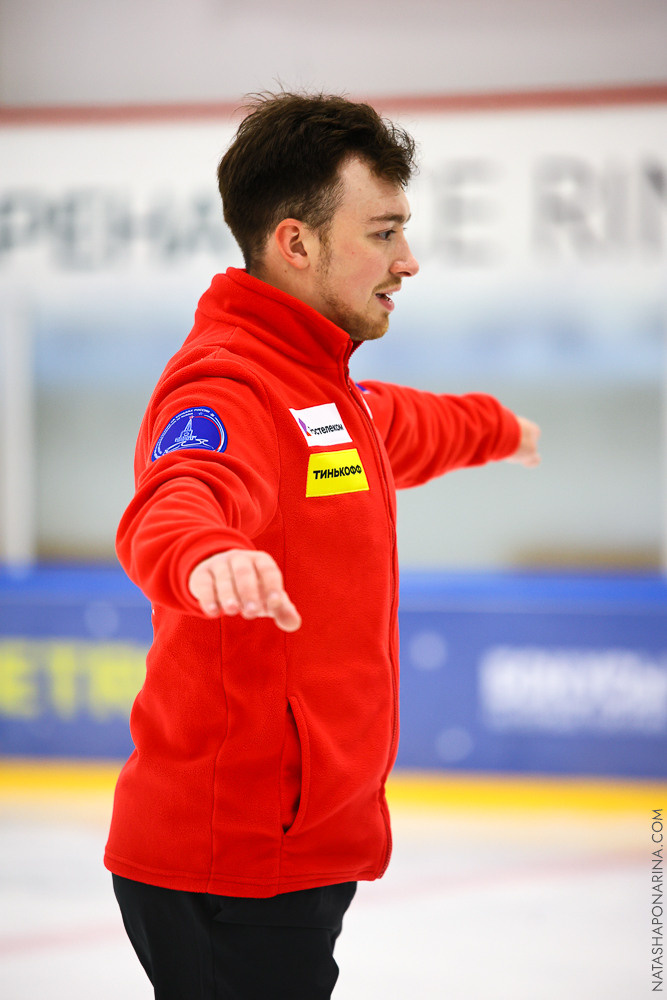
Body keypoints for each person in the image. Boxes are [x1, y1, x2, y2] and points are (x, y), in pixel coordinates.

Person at [105, 91, 540, 999]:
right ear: (294, 243)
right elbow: (179, 495)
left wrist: (495, 427)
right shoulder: (227, 383)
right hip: (234, 862)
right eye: (382, 233)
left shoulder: (316, 390)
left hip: (285, 848)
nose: (407, 261)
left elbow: (396, 427)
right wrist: (204, 554)